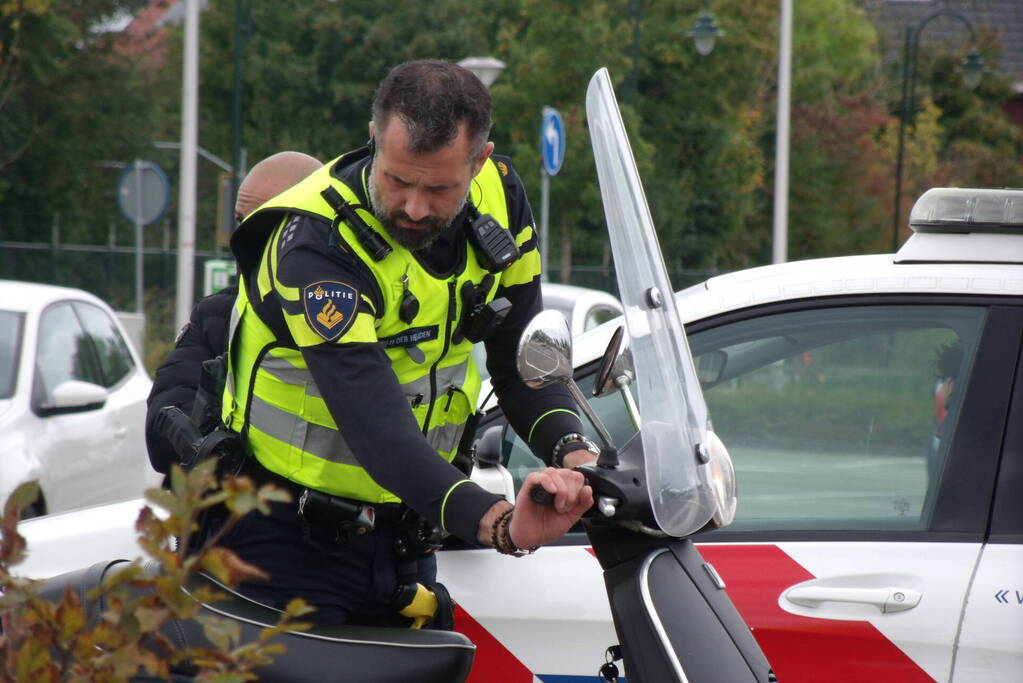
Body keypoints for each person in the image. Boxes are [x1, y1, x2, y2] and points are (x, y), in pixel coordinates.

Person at [217, 59, 598, 626]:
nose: (415, 208)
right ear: (374, 139)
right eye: (397, 180)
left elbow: (524, 365)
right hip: (279, 541)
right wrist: (498, 522)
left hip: (405, 533)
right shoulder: (318, 242)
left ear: (480, 162)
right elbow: (377, 427)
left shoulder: (501, 196)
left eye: (440, 188)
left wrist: (579, 460)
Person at [146, 151, 323, 476]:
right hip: (237, 505)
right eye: (241, 222)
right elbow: (162, 433)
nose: (243, 238)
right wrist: (209, 436)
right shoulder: (217, 314)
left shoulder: (359, 316)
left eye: (263, 223)